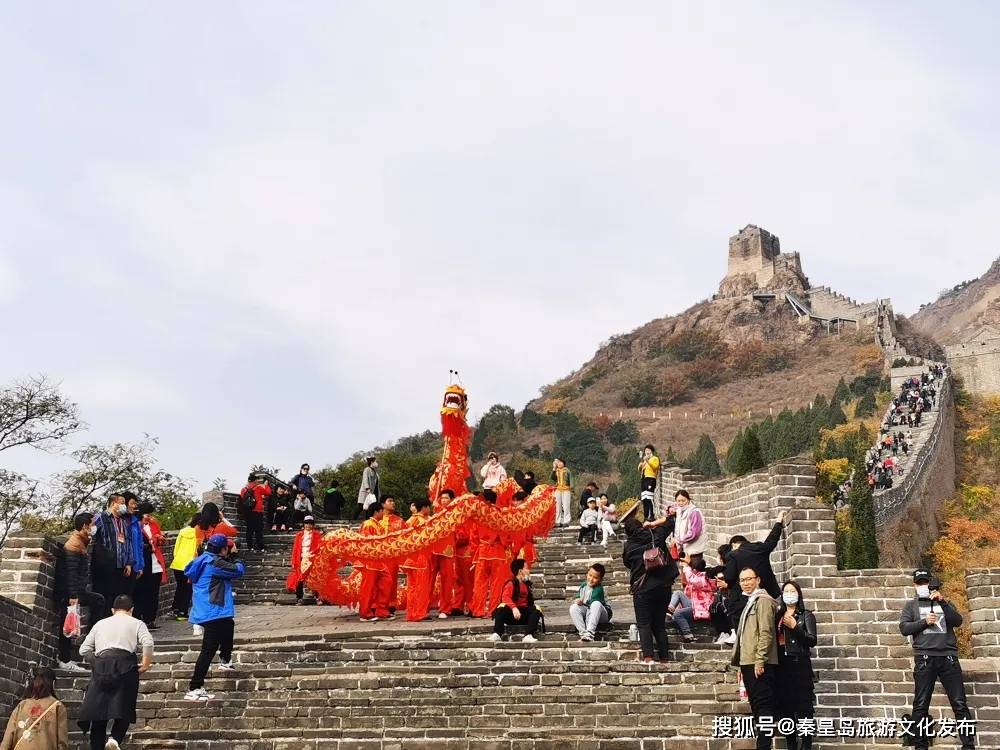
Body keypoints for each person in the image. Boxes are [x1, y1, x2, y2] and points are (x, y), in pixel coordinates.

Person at [899, 569, 976, 750]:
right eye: (920, 583)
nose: (923, 586)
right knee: (920, 704)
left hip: (948, 658)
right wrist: (924, 622)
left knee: (959, 703)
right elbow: (904, 628)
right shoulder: (911, 606)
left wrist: (943, 602)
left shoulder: (945, 603)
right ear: (914, 585)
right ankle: (920, 745)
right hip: (925, 659)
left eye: (926, 582)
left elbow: (957, 621)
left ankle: (969, 745)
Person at [77, 594, 153, 750]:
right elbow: (148, 642)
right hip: (126, 666)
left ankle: (96, 747)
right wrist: (145, 664)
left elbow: (83, 649)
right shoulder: (137, 623)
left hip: (101, 667)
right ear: (131, 610)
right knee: (125, 708)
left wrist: (96, 661)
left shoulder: (100, 624)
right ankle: (115, 738)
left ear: (112, 610)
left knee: (98, 712)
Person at [184, 534, 245, 701]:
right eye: (227, 548)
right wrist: (236, 556)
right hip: (213, 610)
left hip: (206, 609)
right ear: (222, 549)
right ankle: (195, 686)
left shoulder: (202, 559)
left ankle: (225, 659)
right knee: (208, 649)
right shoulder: (215, 563)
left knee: (228, 626)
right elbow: (238, 571)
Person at [730, 567, 779, 750]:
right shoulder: (750, 601)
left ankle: (764, 746)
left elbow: (766, 632)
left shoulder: (763, 601)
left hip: (760, 662)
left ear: (758, 580)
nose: (746, 583)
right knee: (757, 707)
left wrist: (760, 660)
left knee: (763, 706)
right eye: (742, 580)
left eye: (749, 579)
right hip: (748, 661)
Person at [622, 516, 678, 664]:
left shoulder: (629, 546)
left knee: (644, 623)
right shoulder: (656, 535)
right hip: (663, 587)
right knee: (659, 624)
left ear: (628, 532)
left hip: (642, 589)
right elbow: (671, 522)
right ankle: (664, 657)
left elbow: (627, 563)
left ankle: (648, 657)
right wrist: (652, 525)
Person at [59, 512, 105, 672]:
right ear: (85, 526)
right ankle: (64, 659)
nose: (94, 528)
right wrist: (73, 596)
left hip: (76, 591)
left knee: (98, 600)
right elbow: (71, 572)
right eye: (92, 524)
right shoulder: (74, 545)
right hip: (69, 593)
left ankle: (90, 639)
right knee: (66, 625)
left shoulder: (82, 541)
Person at [775, 581, 818, 750]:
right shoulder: (778, 615)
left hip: (799, 664)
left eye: (793, 591)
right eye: (786, 591)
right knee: (786, 708)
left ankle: (806, 745)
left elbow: (812, 640)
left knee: (804, 707)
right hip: (781, 666)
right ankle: (791, 744)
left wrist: (794, 627)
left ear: (799, 594)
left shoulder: (806, 615)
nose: (789, 594)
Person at [90, 495, 137, 620]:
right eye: (121, 503)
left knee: (117, 596)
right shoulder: (100, 518)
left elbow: (128, 542)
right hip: (105, 564)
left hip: (120, 565)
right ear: (113, 503)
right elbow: (91, 534)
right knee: (105, 596)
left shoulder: (122, 522)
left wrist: (129, 563)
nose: (123, 506)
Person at [725, 510, 787, 604]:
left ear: (734, 545)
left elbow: (729, 577)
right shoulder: (760, 548)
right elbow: (772, 540)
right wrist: (778, 523)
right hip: (770, 595)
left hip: (747, 599)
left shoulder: (733, 555)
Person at [0, 667, 68, 750]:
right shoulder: (57, 707)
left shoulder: (22, 705)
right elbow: (62, 743)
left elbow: (7, 738)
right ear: (53, 683)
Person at [133, 503, 168, 630]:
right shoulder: (136, 526)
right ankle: (141, 619)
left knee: (154, 592)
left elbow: (159, 538)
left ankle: (150, 619)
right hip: (145, 561)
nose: (149, 517)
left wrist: (159, 539)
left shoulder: (153, 524)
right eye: (147, 514)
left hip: (155, 561)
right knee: (143, 591)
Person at [358, 503, 394, 622]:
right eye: (382, 511)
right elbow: (366, 543)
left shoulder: (378, 525)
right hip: (370, 560)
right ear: (376, 512)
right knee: (368, 587)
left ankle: (382, 610)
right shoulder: (368, 524)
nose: (383, 514)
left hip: (379, 560)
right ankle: (365, 613)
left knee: (387, 582)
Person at [490, 559, 541, 643]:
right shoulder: (511, 583)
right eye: (526, 568)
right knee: (501, 607)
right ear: (520, 571)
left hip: (523, 615)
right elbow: (505, 597)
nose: (528, 571)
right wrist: (514, 608)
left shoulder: (526, 584)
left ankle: (528, 635)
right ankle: (497, 633)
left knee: (537, 609)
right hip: (512, 615)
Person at [671, 557, 717, 644]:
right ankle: (670, 609)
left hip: (702, 608)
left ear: (695, 569)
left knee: (678, 614)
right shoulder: (698, 576)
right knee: (678, 593)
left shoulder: (704, 578)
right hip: (695, 604)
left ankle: (688, 635)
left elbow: (692, 580)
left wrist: (686, 567)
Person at [401, 499, 432, 621]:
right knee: (421, 586)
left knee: (412, 587)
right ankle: (420, 613)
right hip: (421, 557)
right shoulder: (425, 521)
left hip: (410, 558)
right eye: (428, 508)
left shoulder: (408, 521)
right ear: (424, 508)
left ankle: (411, 613)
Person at [429, 490, 457, 619]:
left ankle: (445, 609)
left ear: (452, 499)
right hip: (434, 551)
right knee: (429, 580)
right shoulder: (436, 514)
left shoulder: (455, 514)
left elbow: (460, 533)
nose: (443, 500)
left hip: (447, 552)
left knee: (447, 581)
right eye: (442, 498)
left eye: (446, 498)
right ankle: (424, 606)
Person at [569, 563, 612, 641]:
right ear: (587, 574)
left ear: (600, 580)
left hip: (601, 614)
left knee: (595, 604)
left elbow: (591, 606)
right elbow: (578, 596)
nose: (591, 579)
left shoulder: (599, 589)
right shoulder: (583, 585)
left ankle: (590, 633)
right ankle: (583, 633)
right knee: (573, 607)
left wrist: (583, 603)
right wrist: (577, 600)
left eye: (595, 577)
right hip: (588, 609)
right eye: (590, 575)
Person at [170, 514, 200, 620]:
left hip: (178, 563)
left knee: (180, 587)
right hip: (189, 565)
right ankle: (182, 612)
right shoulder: (198, 534)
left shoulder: (183, 532)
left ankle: (175, 608)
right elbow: (196, 551)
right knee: (188, 589)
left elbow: (176, 547)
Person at [287, 516, 323, 605]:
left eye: (310, 523)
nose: (308, 525)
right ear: (304, 524)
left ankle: (318, 597)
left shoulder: (317, 535)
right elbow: (295, 549)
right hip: (301, 559)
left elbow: (319, 547)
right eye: (307, 523)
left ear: (313, 525)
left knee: (315, 578)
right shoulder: (299, 535)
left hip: (312, 559)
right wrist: (294, 561)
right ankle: (299, 598)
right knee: (299, 579)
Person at [672, 490, 706, 564]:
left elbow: (694, 533)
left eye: (683, 500)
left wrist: (679, 540)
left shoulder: (694, 512)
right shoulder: (680, 511)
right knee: (684, 572)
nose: (681, 503)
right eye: (678, 501)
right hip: (684, 549)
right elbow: (672, 508)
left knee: (694, 573)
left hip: (694, 551)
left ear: (688, 500)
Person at [239, 475, 270, 552]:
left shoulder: (244, 489)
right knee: (258, 530)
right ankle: (260, 547)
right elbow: (268, 493)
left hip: (248, 512)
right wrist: (266, 485)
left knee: (249, 530)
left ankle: (250, 547)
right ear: (255, 481)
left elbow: (242, 499)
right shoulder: (258, 488)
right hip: (257, 512)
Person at [638, 445, 660, 520]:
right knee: (644, 498)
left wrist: (647, 461)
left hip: (651, 479)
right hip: (644, 479)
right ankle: (646, 516)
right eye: (645, 450)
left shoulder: (655, 458)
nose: (646, 451)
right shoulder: (645, 461)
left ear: (651, 451)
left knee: (649, 497)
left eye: (648, 450)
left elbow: (655, 467)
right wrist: (641, 465)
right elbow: (640, 470)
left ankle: (652, 515)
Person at [550, 458, 573, 527]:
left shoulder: (567, 470)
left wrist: (571, 487)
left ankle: (566, 521)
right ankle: (558, 521)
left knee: (566, 506)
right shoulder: (556, 471)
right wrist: (554, 468)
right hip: (558, 489)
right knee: (558, 506)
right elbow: (552, 478)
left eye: (561, 462)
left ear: (564, 464)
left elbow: (571, 479)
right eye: (558, 462)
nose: (559, 464)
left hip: (566, 489)